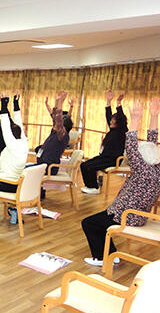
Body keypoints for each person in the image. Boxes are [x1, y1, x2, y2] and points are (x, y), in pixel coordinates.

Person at [82, 98, 160, 266]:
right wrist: (154, 116)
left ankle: (103, 258)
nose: (136, 155)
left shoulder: (142, 171)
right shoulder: (156, 168)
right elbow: (152, 143)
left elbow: (131, 147)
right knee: (98, 220)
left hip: (127, 216)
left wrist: (135, 120)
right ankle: (111, 255)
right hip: (134, 214)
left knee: (89, 223)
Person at [80, 90, 128, 194]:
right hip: (104, 157)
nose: (110, 122)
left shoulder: (121, 131)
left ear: (118, 122)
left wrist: (118, 103)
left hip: (113, 159)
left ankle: (95, 188)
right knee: (84, 165)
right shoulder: (113, 130)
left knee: (90, 167)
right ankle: (90, 186)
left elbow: (121, 119)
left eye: (113, 121)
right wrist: (108, 101)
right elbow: (108, 115)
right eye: (111, 120)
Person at [34, 91, 69, 176]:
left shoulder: (62, 135)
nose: (55, 124)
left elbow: (58, 119)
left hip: (49, 168)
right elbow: (55, 117)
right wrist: (56, 102)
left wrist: (60, 102)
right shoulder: (56, 132)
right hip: (43, 166)